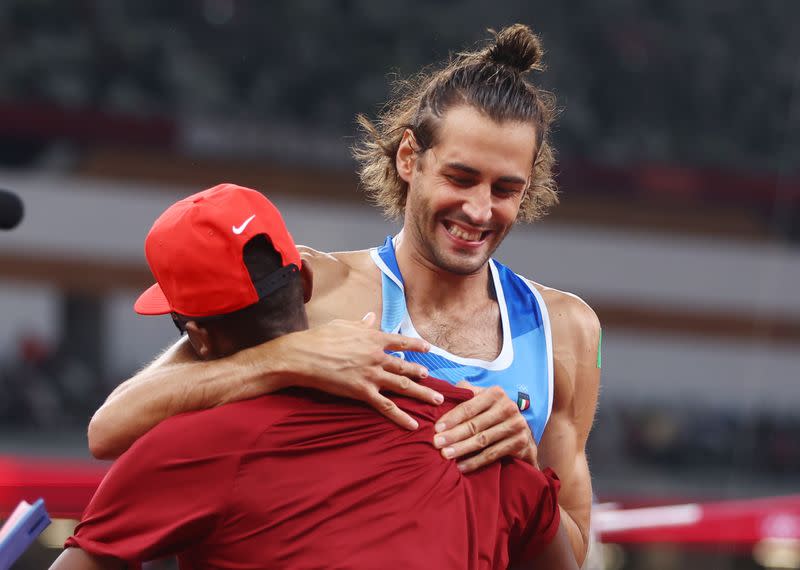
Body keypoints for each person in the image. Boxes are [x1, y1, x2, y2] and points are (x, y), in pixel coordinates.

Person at [88, 24, 601, 565]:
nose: (478, 210)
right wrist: (280, 355)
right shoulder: (311, 287)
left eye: (504, 189)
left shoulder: (564, 330)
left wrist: (524, 465)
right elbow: (113, 427)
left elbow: (571, 552)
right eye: (460, 178)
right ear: (409, 158)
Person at [51, 184, 578, 570]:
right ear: (303, 280)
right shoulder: (472, 427)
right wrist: (522, 462)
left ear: (199, 337)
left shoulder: (191, 445)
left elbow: (103, 444)